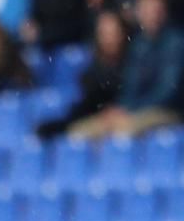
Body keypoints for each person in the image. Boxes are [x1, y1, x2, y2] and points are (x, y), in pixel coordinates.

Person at [69, 0, 184, 139]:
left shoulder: (175, 43)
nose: (151, 15)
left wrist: (130, 109)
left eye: (155, 10)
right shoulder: (138, 44)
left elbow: (167, 91)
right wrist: (120, 108)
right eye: (146, 10)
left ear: (164, 12)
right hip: (135, 112)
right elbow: (130, 85)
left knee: (122, 132)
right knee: (79, 133)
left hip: (167, 112)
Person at [37, 8, 129, 139]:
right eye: (103, 33)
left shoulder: (133, 63)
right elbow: (88, 102)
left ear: (123, 33)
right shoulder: (94, 69)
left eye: (112, 33)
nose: (108, 39)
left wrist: (121, 108)